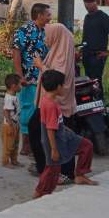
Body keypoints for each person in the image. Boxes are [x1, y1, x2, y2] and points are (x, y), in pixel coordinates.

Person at [34, 70, 97, 198]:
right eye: (63, 85)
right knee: (52, 169)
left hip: (64, 134)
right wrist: (54, 150)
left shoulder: (47, 100)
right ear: (57, 87)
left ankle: (80, 175)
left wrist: (67, 130)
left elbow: (56, 123)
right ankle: (40, 192)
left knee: (86, 145)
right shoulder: (50, 105)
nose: (64, 87)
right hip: (55, 140)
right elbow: (50, 129)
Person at [31, 23, 78, 182]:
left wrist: (40, 66)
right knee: (42, 133)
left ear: (56, 36)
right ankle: (46, 168)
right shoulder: (59, 50)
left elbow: (57, 78)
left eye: (48, 35)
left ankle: (63, 173)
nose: (46, 39)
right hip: (50, 104)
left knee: (59, 138)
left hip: (58, 105)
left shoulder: (62, 55)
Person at [12, 3, 51, 155]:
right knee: (28, 109)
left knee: (40, 110)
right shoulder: (23, 31)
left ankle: (37, 143)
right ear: (39, 15)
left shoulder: (46, 31)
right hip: (28, 78)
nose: (49, 17)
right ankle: (26, 145)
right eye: (48, 15)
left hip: (43, 77)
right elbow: (16, 54)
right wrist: (20, 76)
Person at [81, 0, 109, 85]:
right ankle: (91, 99)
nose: (87, 4)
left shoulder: (103, 16)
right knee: (87, 81)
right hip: (86, 55)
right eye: (85, 2)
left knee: (96, 82)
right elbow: (86, 37)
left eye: (90, 1)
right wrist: (81, 51)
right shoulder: (87, 17)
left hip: (98, 55)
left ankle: (99, 99)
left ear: (96, 2)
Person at [1, 74, 22, 168]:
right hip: (10, 125)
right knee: (8, 144)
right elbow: (6, 112)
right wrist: (10, 124)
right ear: (14, 86)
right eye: (19, 85)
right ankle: (5, 161)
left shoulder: (14, 96)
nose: (21, 87)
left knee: (15, 143)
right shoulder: (9, 98)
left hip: (15, 124)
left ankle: (14, 160)